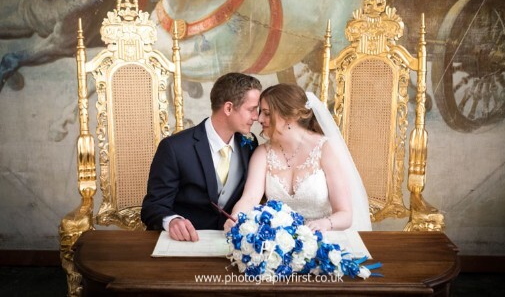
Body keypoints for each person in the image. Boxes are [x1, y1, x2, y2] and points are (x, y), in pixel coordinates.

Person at [224, 83, 372, 232]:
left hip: (323, 241)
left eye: (267, 113)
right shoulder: (262, 153)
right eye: (261, 112)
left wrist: (325, 224)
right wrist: (236, 216)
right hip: (278, 244)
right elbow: (250, 198)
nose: (260, 119)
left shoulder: (325, 149)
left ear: (290, 115)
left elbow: (345, 215)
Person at [141, 72, 262, 241]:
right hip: (187, 244)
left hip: (233, 245)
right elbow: (153, 207)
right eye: (251, 109)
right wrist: (172, 221)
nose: (257, 117)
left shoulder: (249, 143)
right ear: (228, 108)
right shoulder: (174, 147)